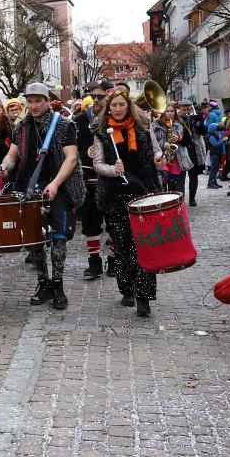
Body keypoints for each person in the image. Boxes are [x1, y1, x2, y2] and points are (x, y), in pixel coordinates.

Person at [1, 82, 84, 308]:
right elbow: (12, 154)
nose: (35, 105)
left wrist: (56, 184)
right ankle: (43, 283)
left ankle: (58, 286)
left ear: (47, 101)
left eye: (39, 101)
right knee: (33, 239)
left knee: (58, 240)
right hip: (29, 187)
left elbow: (72, 158)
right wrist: (5, 165)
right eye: (31, 101)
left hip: (60, 187)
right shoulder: (22, 127)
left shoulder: (64, 125)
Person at [91, 88, 162, 317]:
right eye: (114, 106)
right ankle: (127, 289)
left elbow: (156, 151)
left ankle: (144, 297)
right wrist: (113, 170)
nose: (118, 109)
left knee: (143, 246)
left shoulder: (143, 127)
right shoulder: (102, 133)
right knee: (121, 246)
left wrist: (160, 158)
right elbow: (97, 164)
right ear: (108, 108)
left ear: (128, 106)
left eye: (122, 105)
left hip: (143, 193)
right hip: (116, 196)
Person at [75, 81, 110, 279]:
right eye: (93, 96)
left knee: (114, 223)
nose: (96, 100)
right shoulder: (80, 120)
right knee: (90, 224)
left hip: (110, 178)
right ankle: (94, 263)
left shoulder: (114, 118)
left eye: (100, 97)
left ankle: (113, 260)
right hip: (88, 178)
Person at [153, 106, 191, 193]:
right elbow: (153, 142)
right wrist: (164, 144)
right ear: (163, 112)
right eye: (167, 111)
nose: (170, 113)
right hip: (162, 158)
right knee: (162, 188)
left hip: (177, 159)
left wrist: (179, 138)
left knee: (178, 187)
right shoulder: (156, 125)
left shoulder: (179, 124)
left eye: (172, 111)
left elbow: (187, 141)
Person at [178, 99, 207, 207]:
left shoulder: (196, 117)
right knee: (181, 178)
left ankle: (192, 199)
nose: (186, 110)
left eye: (188, 108)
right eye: (184, 108)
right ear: (180, 108)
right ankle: (180, 200)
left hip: (194, 150)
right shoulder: (176, 119)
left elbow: (204, 132)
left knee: (193, 176)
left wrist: (199, 123)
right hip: (182, 150)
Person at [205, 103, 225, 189]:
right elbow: (216, 144)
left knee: (216, 169)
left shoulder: (216, 134)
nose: (218, 130)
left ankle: (215, 182)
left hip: (218, 154)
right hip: (214, 154)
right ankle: (210, 183)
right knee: (213, 169)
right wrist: (222, 140)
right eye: (216, 128)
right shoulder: (211, 136)